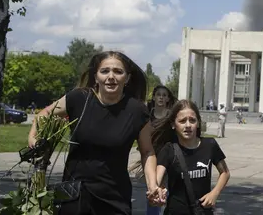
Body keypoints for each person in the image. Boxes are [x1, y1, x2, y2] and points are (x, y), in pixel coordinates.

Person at [28, 51, 164, 215]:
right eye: (105, 71)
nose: (111, 76)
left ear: (127, 78)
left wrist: (152, 185)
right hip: (74, 193)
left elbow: (147, 151)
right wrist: (33, 137)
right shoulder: (79, 98)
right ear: (96, 76)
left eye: (118, 72)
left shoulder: (137, 111)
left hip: (114, 196)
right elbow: (44, 115)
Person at [153, 100, 230, 215]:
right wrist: (157, 191)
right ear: (173, 124)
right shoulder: (169, 150)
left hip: (203, 212)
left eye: (192, 120)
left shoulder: (210, 145)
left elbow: (225, 173)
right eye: (182, 121)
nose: (188, 125)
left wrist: (214, 193)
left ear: (198, 123)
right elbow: (157, 180)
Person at [145, 85, 177, 215]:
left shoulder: (171, 117)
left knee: (166, 191)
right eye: (158, 94)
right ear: (153, 97)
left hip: (168, 159)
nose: (161, 97)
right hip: (151, 158)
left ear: (168, 99)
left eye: (164, 95)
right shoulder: (147, 115)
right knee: (152, 190)